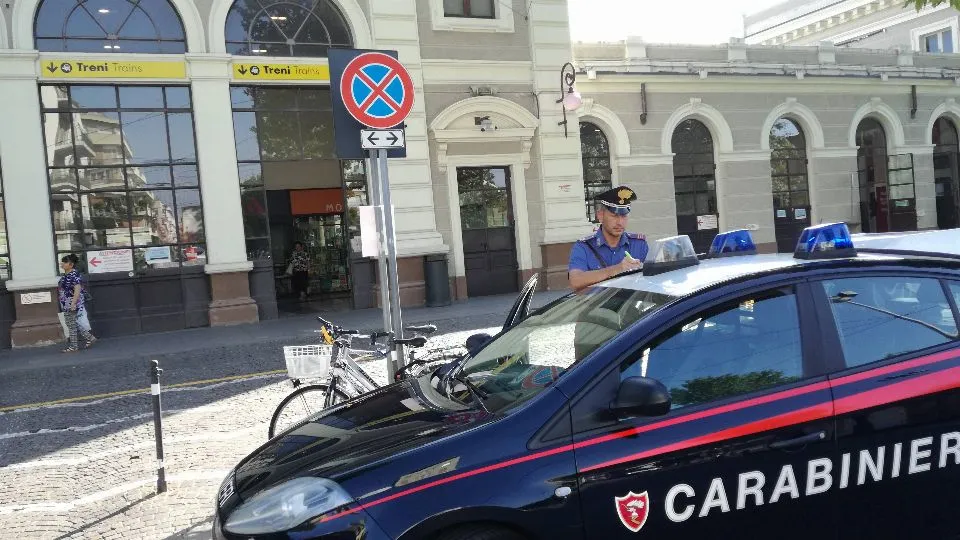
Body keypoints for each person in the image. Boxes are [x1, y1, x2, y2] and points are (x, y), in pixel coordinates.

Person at [568, 185, 649, 290]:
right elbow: (575, 281)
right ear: (600, 216)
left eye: (624, 216)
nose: (620, 222)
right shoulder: (583, 247)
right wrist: (617, 269)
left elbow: (652, 279)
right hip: (596, 305)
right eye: (614, 216)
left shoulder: (639, 245)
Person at [58, 253, 96, 352]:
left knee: (71, 324)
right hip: (67, 302)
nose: (62, 264)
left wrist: (73, 303)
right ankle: (89, 337)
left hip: (71, 302)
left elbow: (77, 289)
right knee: (72, 323)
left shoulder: (73, 275)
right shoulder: (68, 274)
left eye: (64, 262)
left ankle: (74, 346)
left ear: (71, 264)